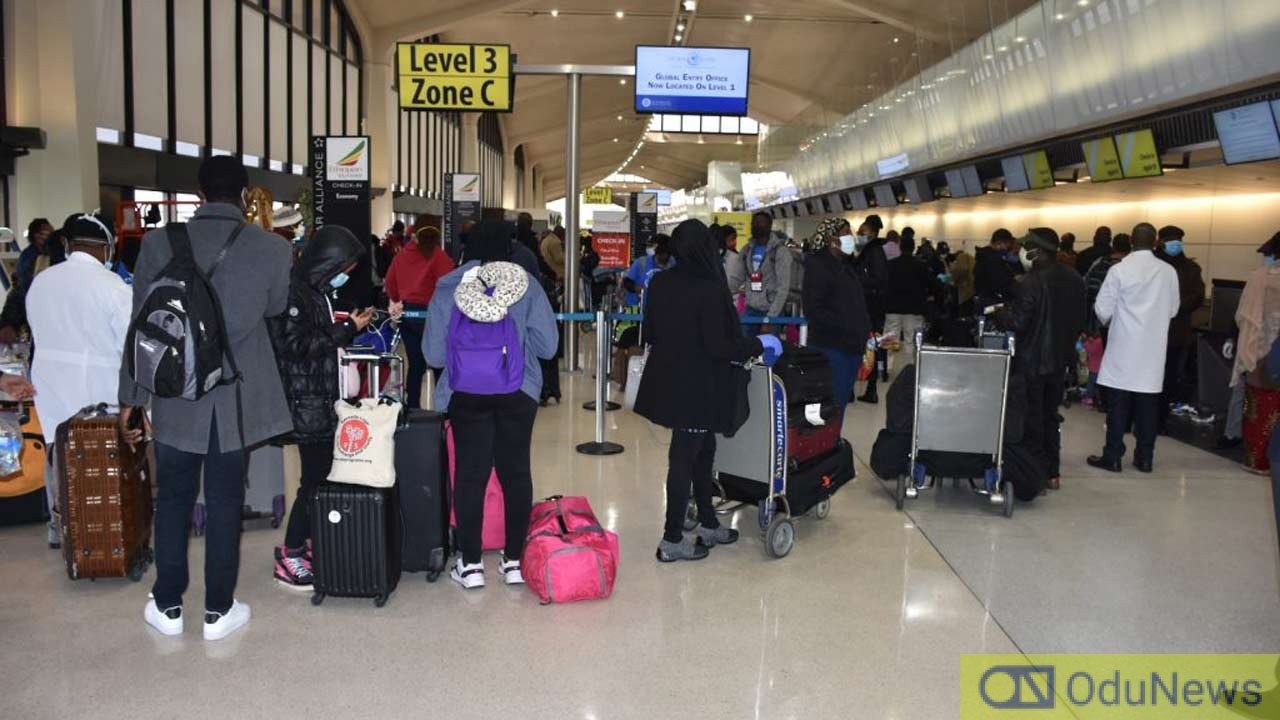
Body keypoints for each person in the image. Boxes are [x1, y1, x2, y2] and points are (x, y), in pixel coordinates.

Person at [122, 155, 293, 641]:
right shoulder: (271, 249)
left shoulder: (158, 244)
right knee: (223, 501)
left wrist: (130, 400)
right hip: (235, 400)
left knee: (172, 499)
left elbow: (142, 329)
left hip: (176, 398)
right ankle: (218, 611)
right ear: (244, 196)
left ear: (198, 194)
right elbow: (277, 306)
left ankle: (168, 605)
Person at [424, 220, 557, 590]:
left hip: (465, 394)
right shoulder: (525, 285)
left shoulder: (449, 285)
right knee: (516, 473)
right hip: (518, 393)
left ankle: (469, 566)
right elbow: (548, 347)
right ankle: (513, 561)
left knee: (470, 474)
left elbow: (434, 355)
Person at [634, 219, 777, 562]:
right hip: (697, 388)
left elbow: (650, 332)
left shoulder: (661, 282)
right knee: (684, 457)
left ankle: (708, 521)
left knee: (704, 449)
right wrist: (760, 342)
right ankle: (671, 539)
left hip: (670, 383)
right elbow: (720, 346)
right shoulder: (709, 287)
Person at [268, 225, 372, 591]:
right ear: (327, 261)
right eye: (345, 266)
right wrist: (345, 332)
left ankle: (306, 542)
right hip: (307, 402)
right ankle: (292, 551)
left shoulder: (314, 292)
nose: (347, 274)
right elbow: (295, 345)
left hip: (319, 400)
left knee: (320, 479)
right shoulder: (295, 293)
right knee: (313, 482)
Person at [25, 215, 132, 548]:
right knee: (103, 463)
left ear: (69, 245)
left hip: (51, 386)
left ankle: (61, 524)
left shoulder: (41, 281)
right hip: (99, 388)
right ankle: (106, 531)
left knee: (58, 454)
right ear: (106, 247)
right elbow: (128, 345)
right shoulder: (113, 285)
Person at [996, 229, 1086, 489]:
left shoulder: (1030, 281)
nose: (1022, 252)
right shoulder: (1074, 278)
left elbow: (1018, 323)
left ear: (1037, 251)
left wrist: (1001, 315)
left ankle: (1032, 473)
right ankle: (1052, 472)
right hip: (1059, 361)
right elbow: (1080, 320)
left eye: (1026, 248)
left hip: (1031, 361)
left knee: (1030, 419)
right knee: (1050, 416)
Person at [1086, 223, 1179, 474]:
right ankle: (1145, 458)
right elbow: (1173, 309)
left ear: (1130, 240)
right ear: (1156, 241)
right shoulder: (1168, 271)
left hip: (1123, 349)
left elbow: (1102, 310)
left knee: (1118, 406)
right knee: (1148, 407)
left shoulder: (1119, 270)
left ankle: (1113, 456)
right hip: (1152, 351)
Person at [801, 218, 870, 428]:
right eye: (846, 234)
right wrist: (848, 326)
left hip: (850, 348)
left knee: (839, 404)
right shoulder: (819, 266)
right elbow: (815, 308)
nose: (852, 238)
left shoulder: (846, 267)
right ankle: (822, 446)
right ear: (832, 239)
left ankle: (831, 444)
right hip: (831, 347)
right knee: (830, 404)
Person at [1221, 233, 1280, 453]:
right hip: (1271, 346)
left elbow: (1244, 313)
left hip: (1258, 346)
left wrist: (1234, 338)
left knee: (1245, 394)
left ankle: (1239, 437)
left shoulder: (1260, 277)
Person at [384, 226, 455, 408]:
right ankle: (443, 409)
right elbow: (449, 286)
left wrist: (398, 298)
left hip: (409, 315)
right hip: (434, 316)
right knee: (439, 363)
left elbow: (390, 283)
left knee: (415, 365)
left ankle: (413, 408)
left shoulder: (401, 257)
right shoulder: (440, 257)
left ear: (415, 238)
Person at [1155, 225, 1205, 434]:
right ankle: (1140, 417)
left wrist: (1173, 307)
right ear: (1160, 241)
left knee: (1168, 379)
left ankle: (1159, 420)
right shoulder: (1152, 265)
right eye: (1170, 239)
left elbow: (1197, 296)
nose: (1175, 243)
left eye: (1178, 239)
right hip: (1150, 333)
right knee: (1146, 378)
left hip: (1175, 333)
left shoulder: (1191, 269)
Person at [738, 211, 800, 333]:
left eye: (760, 223)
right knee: (745, 348)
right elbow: (738, 278)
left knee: (769, 348)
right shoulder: (746, 250)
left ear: (769, 225)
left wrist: (770, 318)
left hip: (772, 310)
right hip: (751, 309)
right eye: (754, 223)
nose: (756, 226)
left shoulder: (780, 252)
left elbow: (783, 287)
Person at [883, 232, 941, 362]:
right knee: (911, 340)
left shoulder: (890, 265)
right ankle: (908, 367)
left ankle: (886, 368)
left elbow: (883, 284)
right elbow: (933, 284)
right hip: (914, 308)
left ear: (900, 247)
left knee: (890, 339)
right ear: (914, 248)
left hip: (892, 307)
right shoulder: (920, 265)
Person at [853, 217, 889, 403]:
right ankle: (866, 388)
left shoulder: (874, 252)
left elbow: (879, 280)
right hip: (867, 307)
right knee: (864, 347)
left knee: (868, 348)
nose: (858, 235)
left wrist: (857, 281)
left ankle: (871, 389)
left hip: (870, 309)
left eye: (862, 232)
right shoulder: (866, 251)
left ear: (872, 233)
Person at [1084, 233, 1131, 335]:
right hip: (1128, 319)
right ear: (1130, 246)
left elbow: (1087, 285)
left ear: (1113, 246)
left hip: (1101, 319)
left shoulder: (1100, 262)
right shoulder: (1134, 265)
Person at [623, 234, 674, 307]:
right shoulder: (641, 262)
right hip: (638, 310)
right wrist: (640, 290)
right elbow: (627, 283)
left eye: (651, 245)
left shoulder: (673, 263)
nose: (648, 248)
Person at [974, 228, 1018, 311]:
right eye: (1007, 247)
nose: (1008, 250)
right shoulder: (992, 260)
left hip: (987, 301)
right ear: (999, 243)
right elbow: (1000, 283)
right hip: (993, 303)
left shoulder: (984, 256)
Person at [15, 218, 53, 292]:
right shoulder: (30, 256)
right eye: (50, 233)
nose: (53, 237)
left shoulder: (42, 252)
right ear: (37, 236)